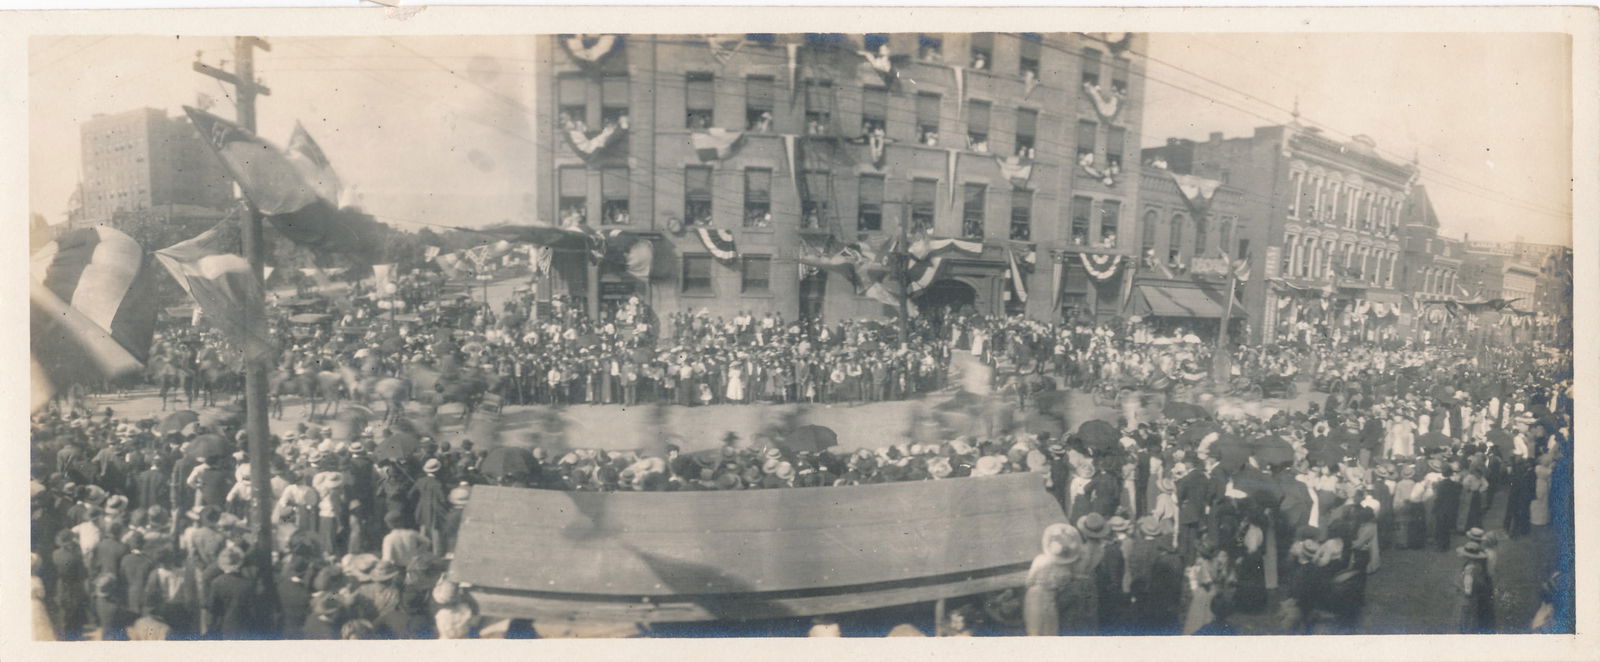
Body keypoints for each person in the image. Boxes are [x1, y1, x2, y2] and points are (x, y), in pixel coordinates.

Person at [1023, 523, 1081, 636]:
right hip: (1049, 599)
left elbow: (1028, 581)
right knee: (1049, 629)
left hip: (1033, 595)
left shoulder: (1039, 559)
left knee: (1034, 628)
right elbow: (1062, 589)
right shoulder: (1066, 570)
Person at [1456, 541, 1495, 634]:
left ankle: (1466, 632)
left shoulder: (1469, 570)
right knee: (1472, 617)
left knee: (1466, 617)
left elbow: (1468, 590)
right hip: (1476, 597)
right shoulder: (1478, 566)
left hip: (1469, 599)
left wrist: (1460, 588)